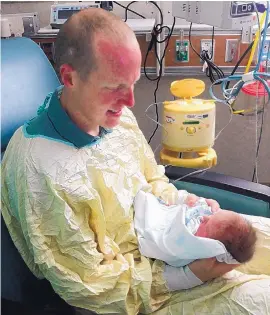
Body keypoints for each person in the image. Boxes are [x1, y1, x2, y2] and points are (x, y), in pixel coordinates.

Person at [1, 8, 270, 315]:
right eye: (115, 88)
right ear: (69, 77)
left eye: (133, 83)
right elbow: (87, 285)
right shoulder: (37, 168)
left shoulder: (117, 119)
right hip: (136, 294)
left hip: (170, 245)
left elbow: (152, 180)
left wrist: (185, 204)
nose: (130, 101)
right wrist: (188, 275)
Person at [134, 191, 257, 268]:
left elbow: (172, 240)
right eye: (214, 215)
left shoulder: (193, 243)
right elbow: (198, 205)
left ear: (213, 245)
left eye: (208, 224)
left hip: (154, 226)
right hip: (162, 207)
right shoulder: (211, 216)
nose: (204, 218)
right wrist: (194, 200)